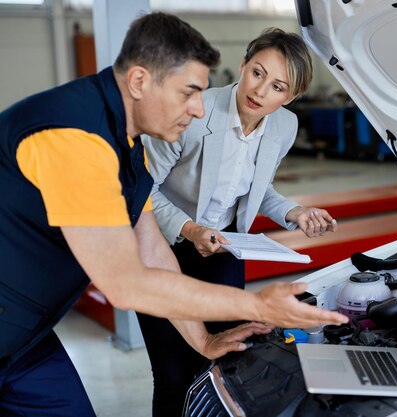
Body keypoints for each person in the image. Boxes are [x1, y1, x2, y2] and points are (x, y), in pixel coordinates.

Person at [0, 13, 347, 416]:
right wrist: (258, 307)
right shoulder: (76, 139)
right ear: (140, 81)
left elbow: (151, 253)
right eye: (189, 92)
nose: (200, 109)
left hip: (27, 335)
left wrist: (202, 340)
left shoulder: (125, 147)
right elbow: (126, 284)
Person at [138, 27, 339, 416]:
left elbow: (256, 190)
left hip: (225, 250)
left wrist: (295, 212)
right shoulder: (192, 112)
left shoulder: (284, 127)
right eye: (258, 73)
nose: (261, 91)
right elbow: (141, 190)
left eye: (278, 87)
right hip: (162, 246)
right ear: (243, 64)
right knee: (173, 373)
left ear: (292, 97)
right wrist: (189, 228)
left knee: (222, 363)